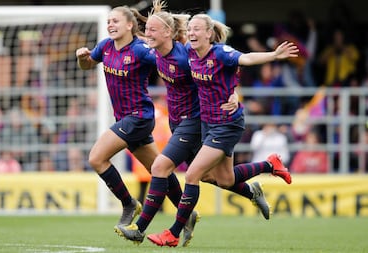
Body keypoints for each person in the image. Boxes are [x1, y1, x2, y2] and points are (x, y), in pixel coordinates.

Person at [115, 1, 293, 247]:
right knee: (221, 179)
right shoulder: (169, 52)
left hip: (202, 122)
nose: (148, 35)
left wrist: (235, 92)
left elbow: (235, 64)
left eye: (153, 30)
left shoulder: (189, 56)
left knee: (166, 169)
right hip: (195, 123)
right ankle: (263, 174)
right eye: (148, 31)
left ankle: (148, 228)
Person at [75, 5, 185, 228]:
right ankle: (186, 212)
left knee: (96, 158)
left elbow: (170, 63)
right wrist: (81, 57)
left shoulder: (142, 50)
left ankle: (128, 204)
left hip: (139, 117)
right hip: (124, 119)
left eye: (115, 21)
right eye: (108, 21)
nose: (110, 25)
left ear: (129, 25)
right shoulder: (106, 46)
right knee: (158, 168)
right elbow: (87, 66)